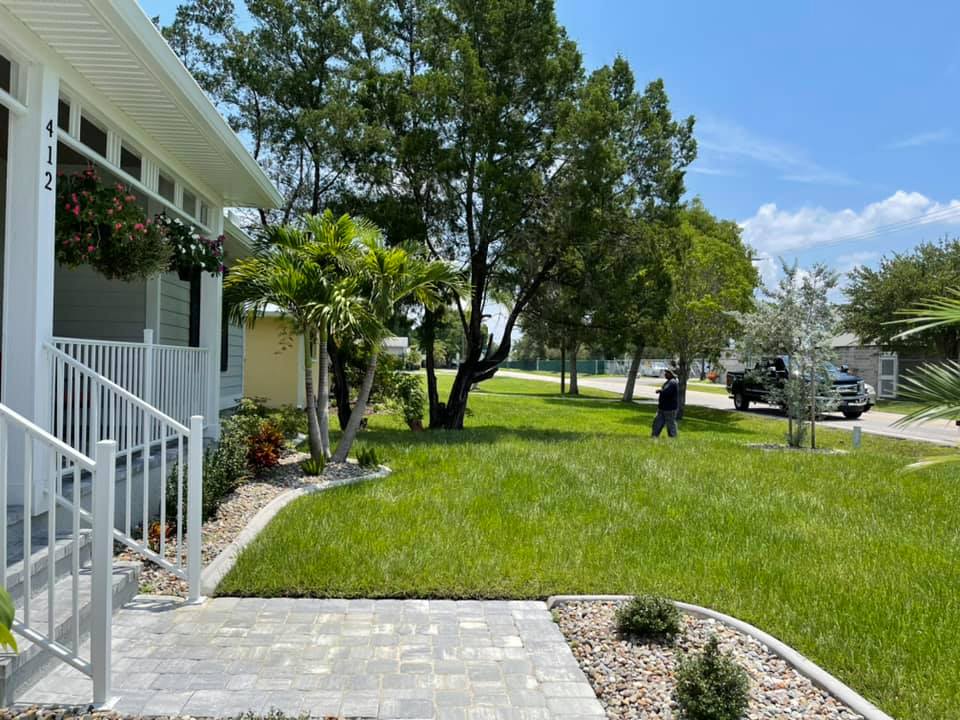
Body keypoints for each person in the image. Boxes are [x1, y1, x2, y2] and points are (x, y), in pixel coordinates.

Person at [652, 369, 679, 438]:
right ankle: (654, 436)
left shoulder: (672, 382)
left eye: (667, 373)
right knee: (657, 422)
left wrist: (660, 391)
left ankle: (673, 437)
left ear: (671, 374)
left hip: (669, 409)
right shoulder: (668, 382)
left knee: (670, 424)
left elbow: (667, 392)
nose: (665, 374)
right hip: (662, 408)